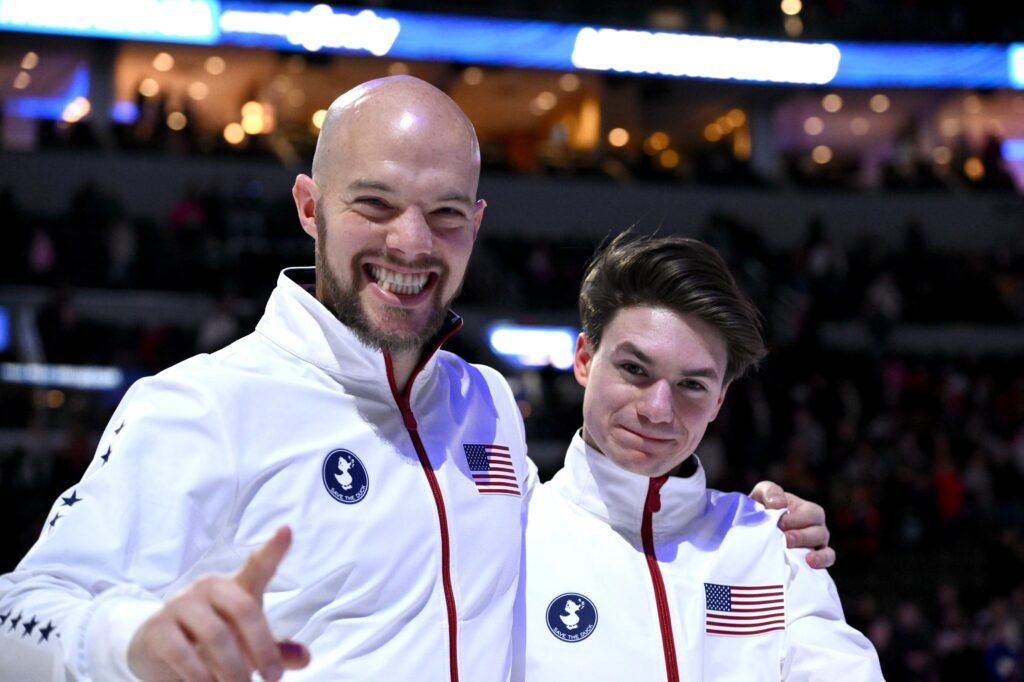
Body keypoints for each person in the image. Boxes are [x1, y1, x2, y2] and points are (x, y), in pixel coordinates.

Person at [0, 77, 831, 681]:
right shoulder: (201, 406)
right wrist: (129, 641)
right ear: (308, 205)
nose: (410, 244)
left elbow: (587, 526)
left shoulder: (485, 404)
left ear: (474, 225)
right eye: (374, 203)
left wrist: (747, 527)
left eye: (442, 214)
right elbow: (16, 617)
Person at [513, 234, 883, 680]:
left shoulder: (770, 548)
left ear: (719, 401)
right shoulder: (510, 533)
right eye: (634, 369)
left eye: (692, 385)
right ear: (586, 359)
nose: (656, 410)